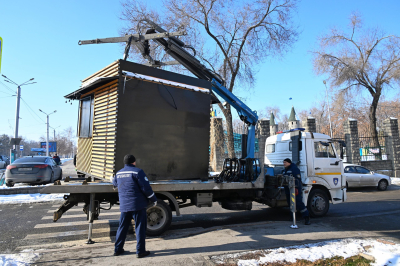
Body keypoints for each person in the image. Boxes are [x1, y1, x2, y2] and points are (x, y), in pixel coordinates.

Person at [112, 154, 157, 258]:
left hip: (124, 206)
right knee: (140, 228)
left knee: (122, 228)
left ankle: (118, 249)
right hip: (137, 205)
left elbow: (114, 184)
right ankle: (140, 251)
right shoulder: (138, 172)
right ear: (134, 162)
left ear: (125, 163)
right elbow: (146, 188)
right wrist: (153, 199)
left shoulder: (118, 173)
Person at [282, 158, 311, 225]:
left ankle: (306, 217)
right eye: (283, 162)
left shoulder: (294, 169)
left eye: (285, 162)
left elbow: (297, 179)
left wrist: (296, 188)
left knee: (298, 203)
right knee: (290, 204)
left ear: (289, 163)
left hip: (295, 190)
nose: (284, 164)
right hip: (288, 190)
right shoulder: (285, 170)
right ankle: (293, 217)